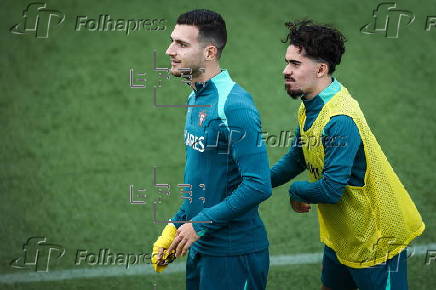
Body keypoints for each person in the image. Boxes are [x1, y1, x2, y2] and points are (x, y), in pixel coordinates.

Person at [270, 20, 425, 290]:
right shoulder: (311, 104)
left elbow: (331, 189)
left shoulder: (339, 118)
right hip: (344, 234)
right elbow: (297, 158)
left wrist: (297, 191)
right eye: (287, 62)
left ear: (321, 69)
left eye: (295, 64)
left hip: (377, 238)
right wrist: (255, 181)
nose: (286, 71)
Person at [151, 9, 272, 290]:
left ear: (209, 52)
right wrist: (176, 226)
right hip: (200, 245)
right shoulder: (195, 98)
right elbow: (207, 179)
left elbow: (258, 185)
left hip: (234, 254)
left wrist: (199, 222)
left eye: (182, 44)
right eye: (172, 41)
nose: (170, 50)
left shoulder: (234, 106)